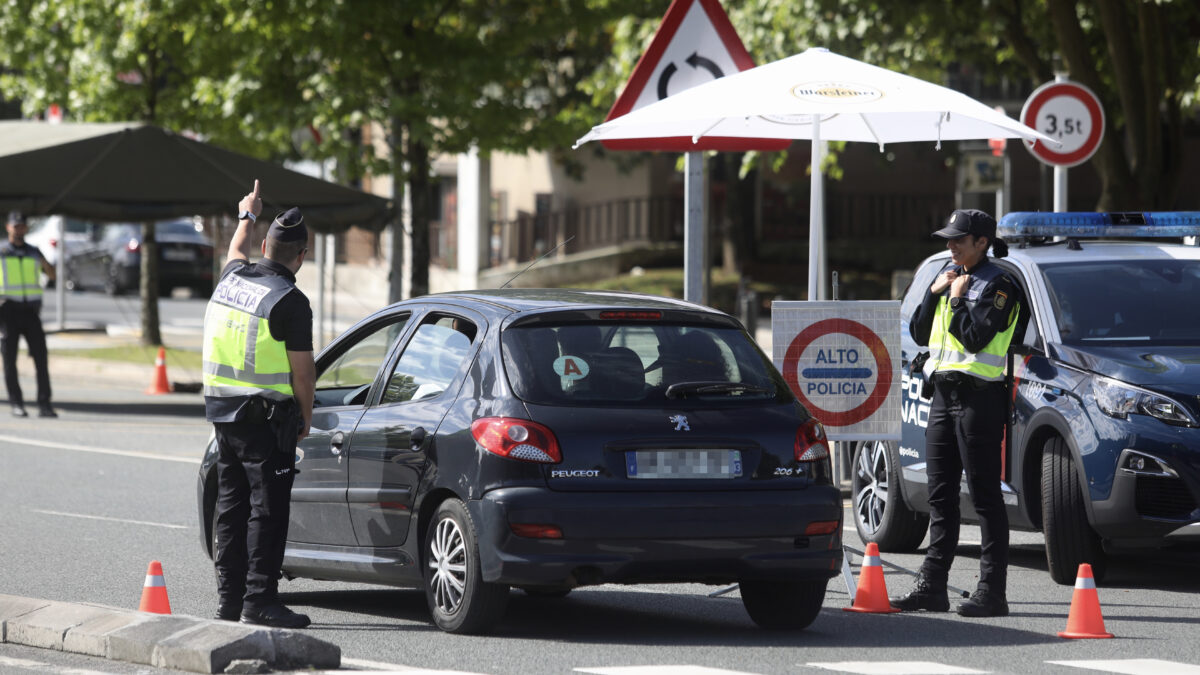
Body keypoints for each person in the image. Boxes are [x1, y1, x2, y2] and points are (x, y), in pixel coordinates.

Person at [891, 208, 1022, 618]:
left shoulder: (1001, 284)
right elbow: (918, 333)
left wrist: (959, 297)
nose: (950, 247)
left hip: (979, 399)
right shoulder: (952, 277)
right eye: (947, 240)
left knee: (984, 497)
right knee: (940, 496)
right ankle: (932, 587)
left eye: (959, 241)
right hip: (943, 398)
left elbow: (974, 337)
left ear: (982, 242)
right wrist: (934, 294)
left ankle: (992, 592)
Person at [202, 181, 315, 628]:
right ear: (301, 256)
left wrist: (248, 212)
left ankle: (229, 602)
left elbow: (235, 246)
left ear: (266, 245)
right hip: (266, 422)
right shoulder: (290, 301)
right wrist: (305, 416)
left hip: (222, 414)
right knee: (267, 511)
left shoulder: (233, 276)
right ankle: (259, 602)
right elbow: (303, 373)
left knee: (230, 507)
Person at [0, 211, 57, 418]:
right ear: (8, 227)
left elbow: (51, 274)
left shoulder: (34, 252)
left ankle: (45, 404)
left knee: (41, 358)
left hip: (31, 311)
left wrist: (46, 264)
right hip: (8, 311)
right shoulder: (2, 251)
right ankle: (17, 403)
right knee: (9, 361)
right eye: (15, 226)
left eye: (22, 226)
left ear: (26, 228)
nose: (18, 229)